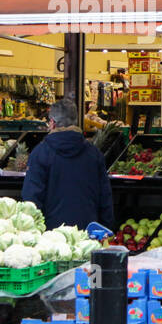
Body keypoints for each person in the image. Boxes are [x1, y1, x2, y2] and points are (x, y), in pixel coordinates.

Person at [21, 97, 114, 230]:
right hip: (88, 235)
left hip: (51, 238)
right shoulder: (94, 154)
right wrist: (106, 230)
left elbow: (31, 199)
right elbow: (105, 198)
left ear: (52, 123)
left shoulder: (40, 153)